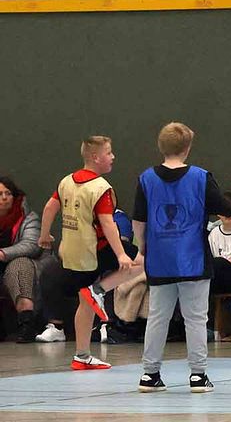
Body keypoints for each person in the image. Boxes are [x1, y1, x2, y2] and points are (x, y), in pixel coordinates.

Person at [134, 122, 231, 393]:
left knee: (157, 316)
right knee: (196, 318)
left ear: (161, 147)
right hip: (193, 260)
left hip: (159, 261)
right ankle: (198, 376)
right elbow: (225, 206)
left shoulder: (146, 178)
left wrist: (142, 247)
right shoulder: (200, 177)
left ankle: (149, 375)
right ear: (187, 148)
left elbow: (138, 219)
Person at [38, 136, 142, 369]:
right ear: (96, 157)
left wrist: (45, 235)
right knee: (144, 263)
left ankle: (81, 355)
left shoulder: (66, 181)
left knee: (84, 302)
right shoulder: (100, 188)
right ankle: (100, 290)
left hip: (72, 255)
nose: (113, 156)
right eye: (109, 152)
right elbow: (107, 223)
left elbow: (49, 207)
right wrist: (121, 255)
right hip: (97, 251)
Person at [0, 176, 43, 342]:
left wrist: (3, 254)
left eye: (8, 193)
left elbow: (31, 245)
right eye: (0, 194)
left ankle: (27, 322)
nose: (4, 198)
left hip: (28, 263)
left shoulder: (28, 217)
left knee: (19, 266)